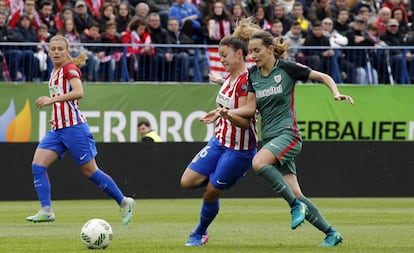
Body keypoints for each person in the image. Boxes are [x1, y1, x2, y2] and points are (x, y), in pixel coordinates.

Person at [218, 18, 354, 247]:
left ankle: (294, 206)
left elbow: (322, 77)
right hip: (271, 138)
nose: (253, 55)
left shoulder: (287, 69)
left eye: (257, 51)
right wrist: (225, 112)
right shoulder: (253, 75)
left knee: (258, 163)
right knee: (297, 193)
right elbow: (250, 109)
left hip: (288, 135)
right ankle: (331, 233)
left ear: (271, 49)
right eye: (251, 51)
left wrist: (336, 93)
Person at [26, 35, 135, 225]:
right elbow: (66, 100)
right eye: (54, 49)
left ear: (67, 50)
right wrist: (56, 113)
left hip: (75, 128)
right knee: (37, 165)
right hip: (58, 129)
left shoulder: (69, 69)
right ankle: (46, 210)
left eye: (61, 48)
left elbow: (79, 92)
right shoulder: (54, 71)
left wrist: (51, 101)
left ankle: (124, 201)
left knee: (90, 171)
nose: (57, 52)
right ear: (48, 51)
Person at [180, 35, 258, 246]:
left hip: (239, 151)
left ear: (239, 54)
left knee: (210, 193)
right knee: (186, 182)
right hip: (219, 142)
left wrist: (224, 113)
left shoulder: (245, 81)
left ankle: (199, 233)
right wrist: (220, 111)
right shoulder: (230, 79)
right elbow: (229, 106)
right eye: (219, 55)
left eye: (225, 55)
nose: (221, 60)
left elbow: (244, 122)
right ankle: (217, 180)